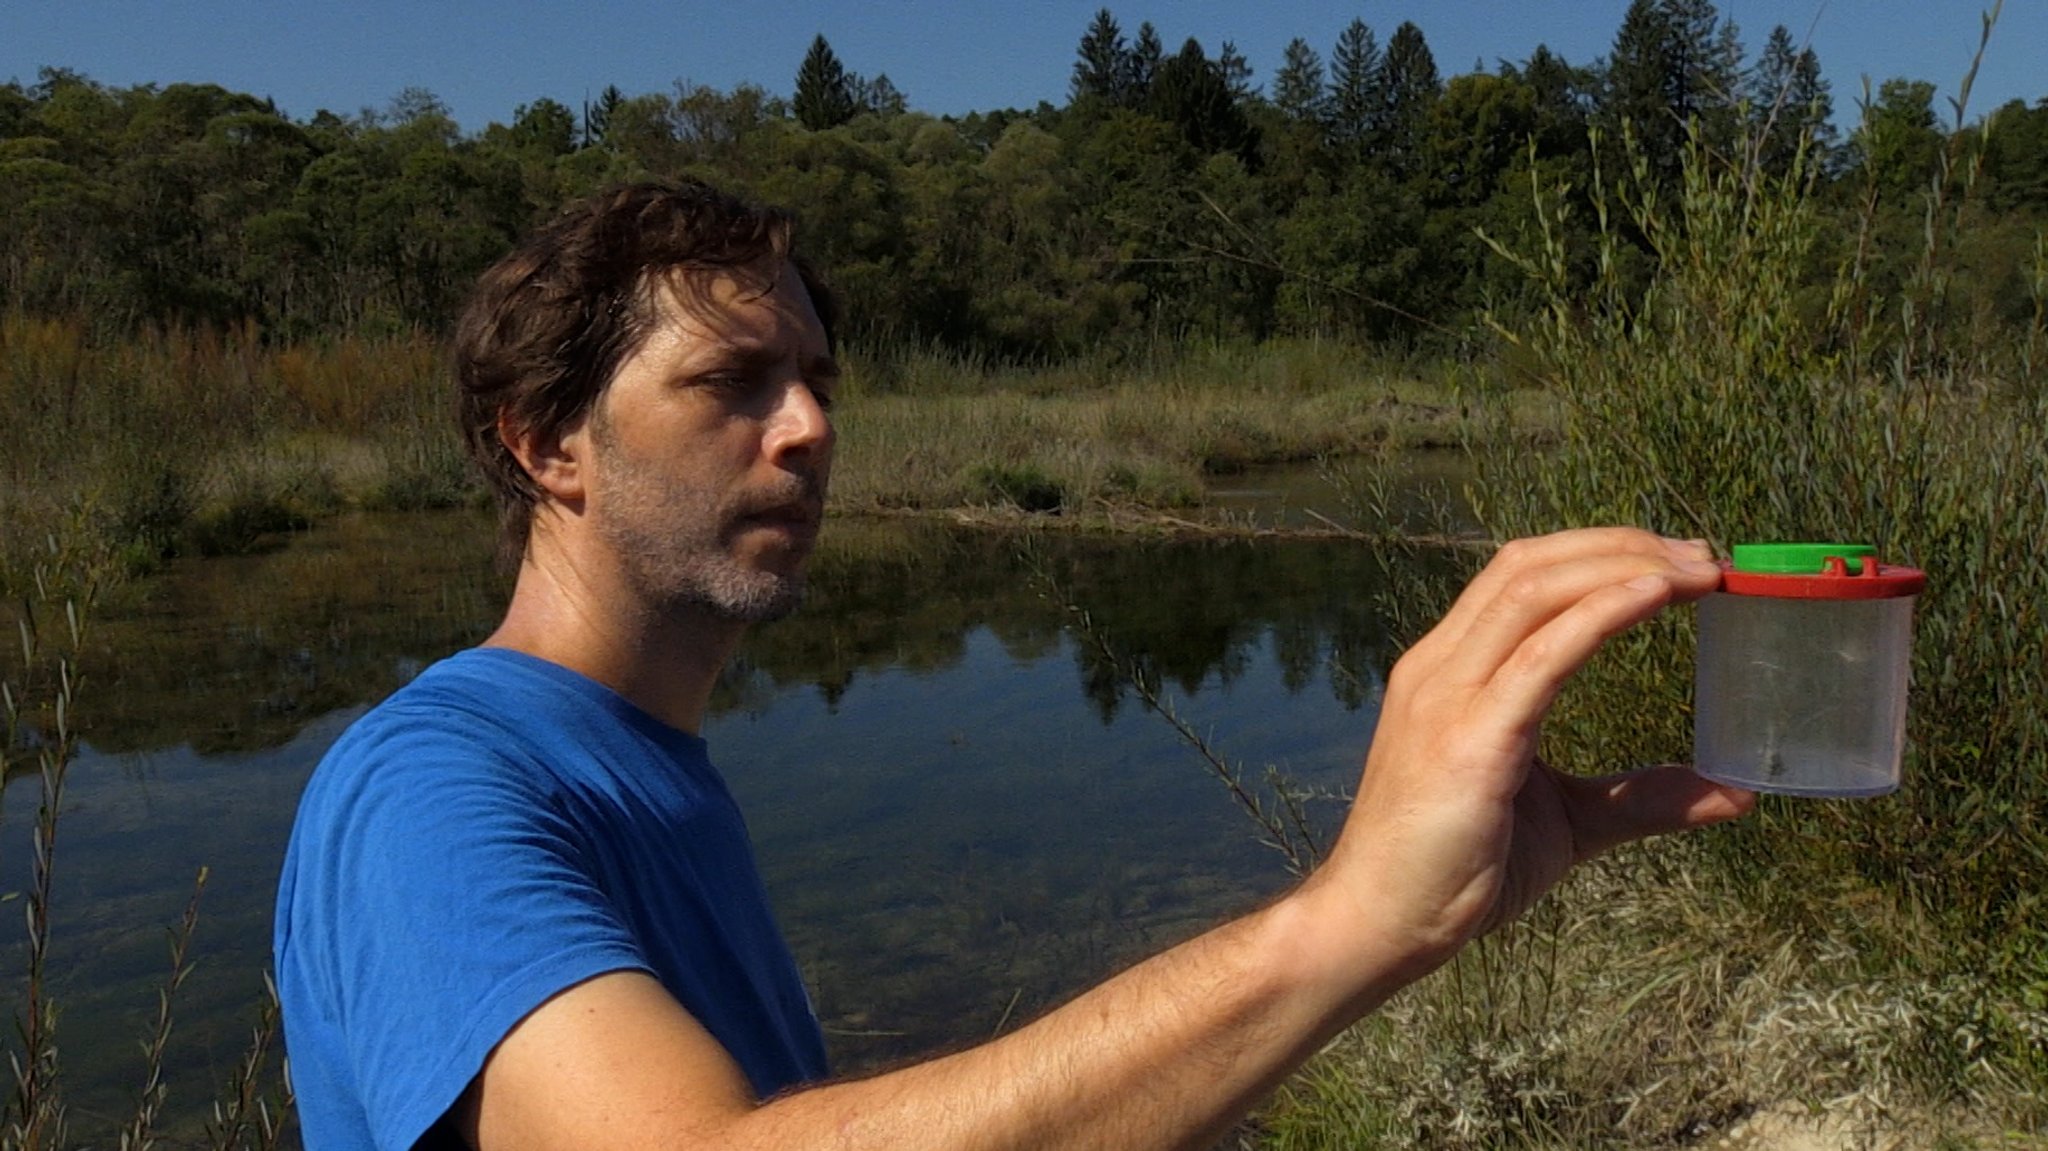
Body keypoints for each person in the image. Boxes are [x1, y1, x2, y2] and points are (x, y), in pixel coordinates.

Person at [273, 179, 1755, 1151]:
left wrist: (1397, 931)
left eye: (816, 382)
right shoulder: (432, 787)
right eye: (730, 382)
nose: (807, 428)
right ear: (547, 445)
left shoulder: (643, 769)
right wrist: (1344, 925)